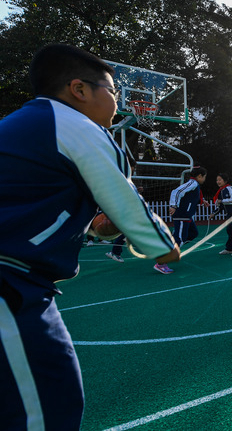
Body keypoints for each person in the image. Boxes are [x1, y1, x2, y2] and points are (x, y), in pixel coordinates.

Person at [0, 44, 179, 429]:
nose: (118, 101)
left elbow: (45, 206)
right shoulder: (75, 125)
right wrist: (164, 247)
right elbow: (129, 206)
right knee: (47, 408)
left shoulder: (27, 125)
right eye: (113, 91)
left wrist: (101, 227)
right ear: (79, 89)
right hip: (10, 285)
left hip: (20, 281)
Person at [161, 166, 208, 273]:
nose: (205, 179)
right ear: (199, 176)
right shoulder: (192, 183)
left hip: (187, 215)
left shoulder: (194, 185)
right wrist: (173, 205)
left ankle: (170, 245)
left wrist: (203, 201)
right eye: (204, 177)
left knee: (193, 233)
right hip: (182, 214)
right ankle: (162, 261)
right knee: (180, 239)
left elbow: (193, 196)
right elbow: (176, 192)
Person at [213, 173, 232, 256]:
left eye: (220, 180)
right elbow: (221, 205)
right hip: (229, 214)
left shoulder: (230, 189)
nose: (218, 181)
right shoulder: (221, 191)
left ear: (225, 180)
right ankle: (229, 248)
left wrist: (221, 201)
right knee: (229, 231)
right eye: (217, 180)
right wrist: (214, 213)